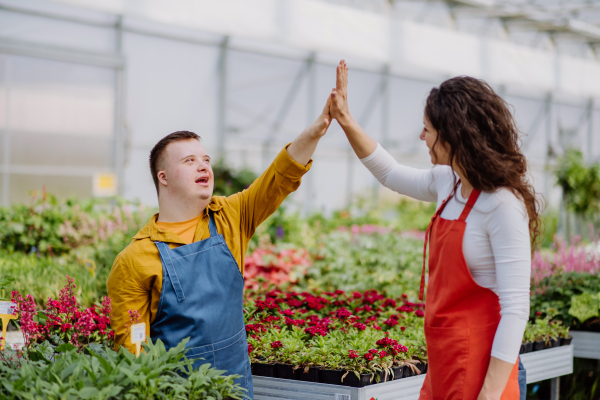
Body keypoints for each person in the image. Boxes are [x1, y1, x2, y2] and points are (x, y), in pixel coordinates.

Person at [328, 60, 539, 400]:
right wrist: (345, 119)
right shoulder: (449, 183)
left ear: (453, 133)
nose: (421, 136)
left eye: (427, 129)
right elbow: (389, 173)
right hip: (443, 364)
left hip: (484, 371)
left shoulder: (502, 205)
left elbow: (516, 310)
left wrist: (489, 394)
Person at [107, 96, 334, 400]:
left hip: (236, 388)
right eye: (189, 161)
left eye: (206, 160)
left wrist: (315, 131)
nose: (203, 166)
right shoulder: (136, 259)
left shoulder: (231, 217)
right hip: (178, 392)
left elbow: (278, 178)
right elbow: (132, 347)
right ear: (163, 178)